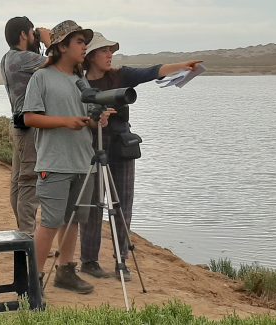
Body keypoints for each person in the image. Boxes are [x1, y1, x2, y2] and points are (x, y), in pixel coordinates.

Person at [79, 32, 201, 281]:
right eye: (104, 51)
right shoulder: (79, 84)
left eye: (110, 50)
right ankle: (89, 261)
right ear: (90, 56)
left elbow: (153, 71)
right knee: (92, 206)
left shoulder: (121, 75)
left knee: (122, 204)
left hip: (122, 149)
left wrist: (183, 66)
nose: (109, 54)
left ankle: (121, 260)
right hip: (92, 148)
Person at [22, 20, 112, 294]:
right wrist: (65, 121)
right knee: (50, 222)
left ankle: (65, 271)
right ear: (61, 47)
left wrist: (99, 120)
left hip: (84, 162)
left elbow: (87, 119)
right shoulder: (41, 78)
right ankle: (33, 283)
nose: (85, 47)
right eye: (80, 42)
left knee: (73, 220)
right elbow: (29, 117)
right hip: (55, 162)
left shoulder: (80, 81)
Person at [1, 16, 51, 235]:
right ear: (23, 34)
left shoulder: (8, 57)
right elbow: (57, 62)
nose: (34, 36)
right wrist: (50, 42)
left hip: (18, 125)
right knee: (29, 181)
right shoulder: (22, 58)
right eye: (32, 32)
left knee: (18, 180)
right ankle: (28, 235)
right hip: (28, 127)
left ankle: (24, 232)